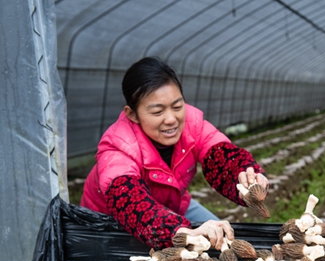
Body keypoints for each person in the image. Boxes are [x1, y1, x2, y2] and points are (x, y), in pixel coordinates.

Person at [80, 57, 269, 250]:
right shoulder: (118, 146)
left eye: (177, 107)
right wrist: (179, 232)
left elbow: (221, 156)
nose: (171, 119)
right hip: (112, 224)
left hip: (172, 205)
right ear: (132, 114)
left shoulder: (192, 125)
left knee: (224, 243)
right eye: (157, 112)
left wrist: (246, 176)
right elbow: (131, 204)